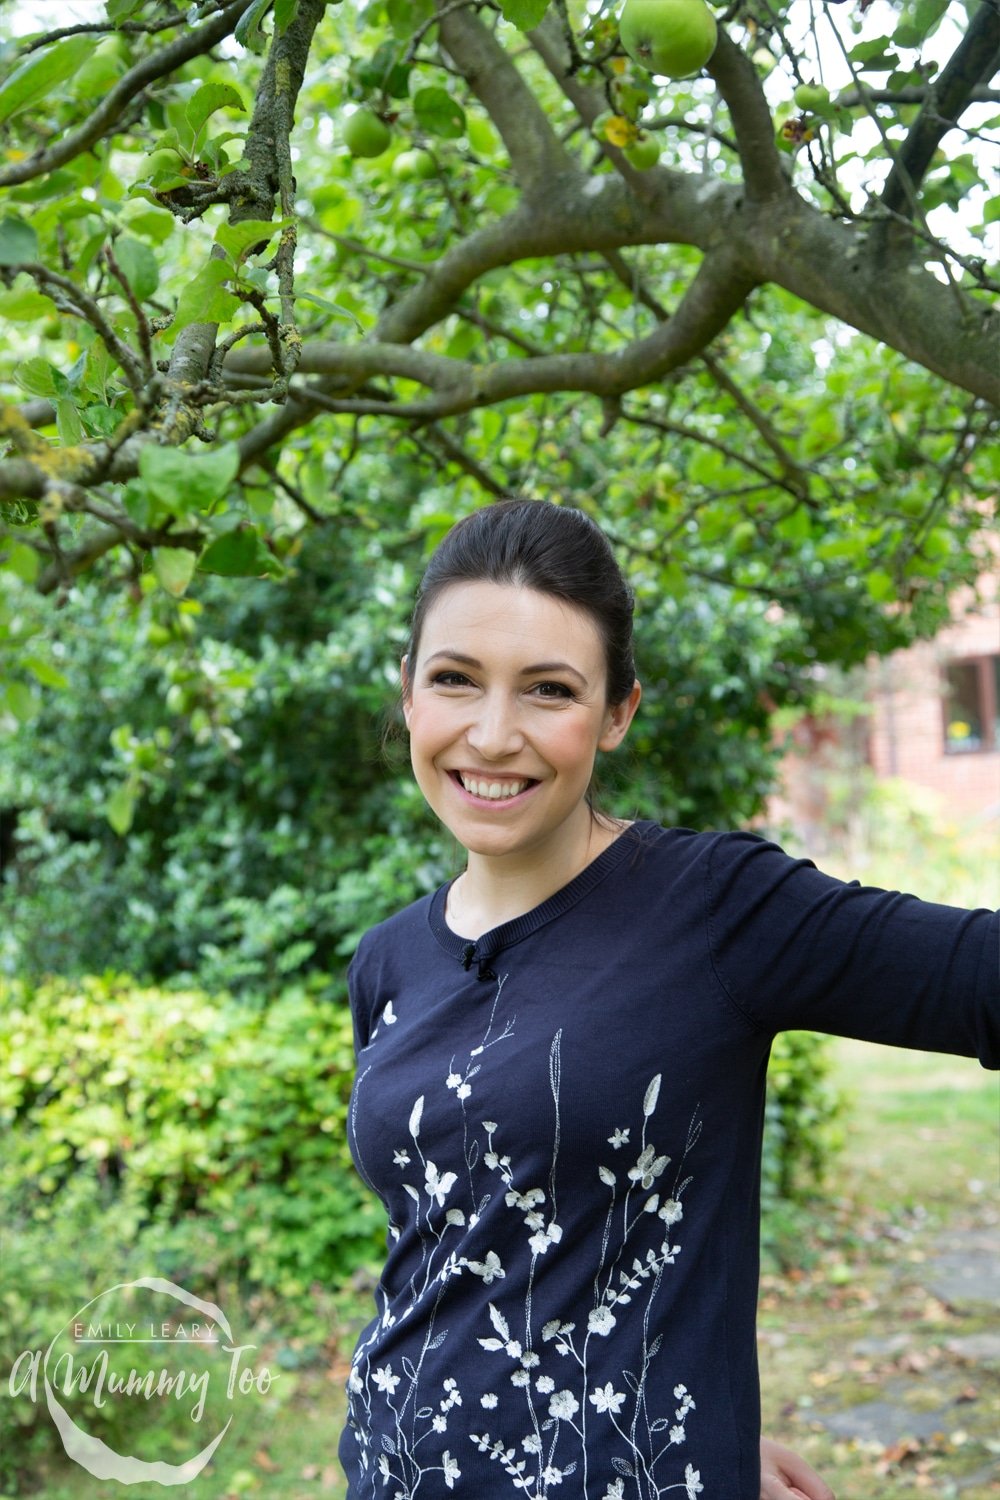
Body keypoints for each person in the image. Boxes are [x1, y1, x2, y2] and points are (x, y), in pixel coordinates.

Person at [339, 499, 997, 1499]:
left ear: (617, 713)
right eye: (454, 680)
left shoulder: (715, 911)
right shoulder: (388, 961)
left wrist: (695, 1425)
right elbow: (466, 1244)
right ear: (409, 694)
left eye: (549, 691)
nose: (492, 732)